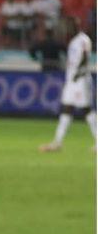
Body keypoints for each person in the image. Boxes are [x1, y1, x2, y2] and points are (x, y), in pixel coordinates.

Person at [40, 24, 96, 152]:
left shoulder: (83, 39)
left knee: (86, 109)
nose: (66, 30)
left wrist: (78, 72)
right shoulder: (72, 41)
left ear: (76, 27)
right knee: (66, 109)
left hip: (80, 79)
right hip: (71, 80)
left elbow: (85, 56)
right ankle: (57, 142)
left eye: (69, 27)